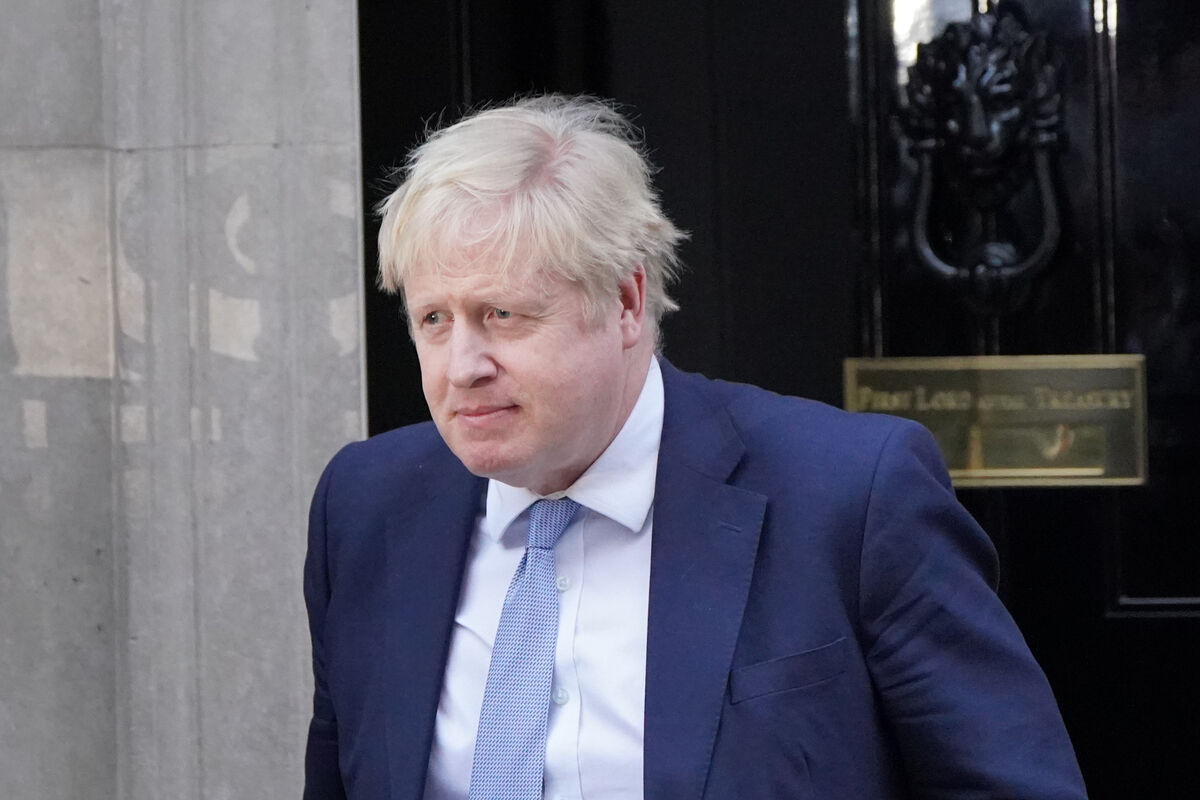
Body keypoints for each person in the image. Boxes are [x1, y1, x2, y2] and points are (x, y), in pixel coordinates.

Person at [303, 94, 1087, 800]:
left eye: (503, 315)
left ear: (626, 302)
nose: (462, 367)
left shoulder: (850, 496)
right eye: (434, 320)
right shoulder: (365, 507)